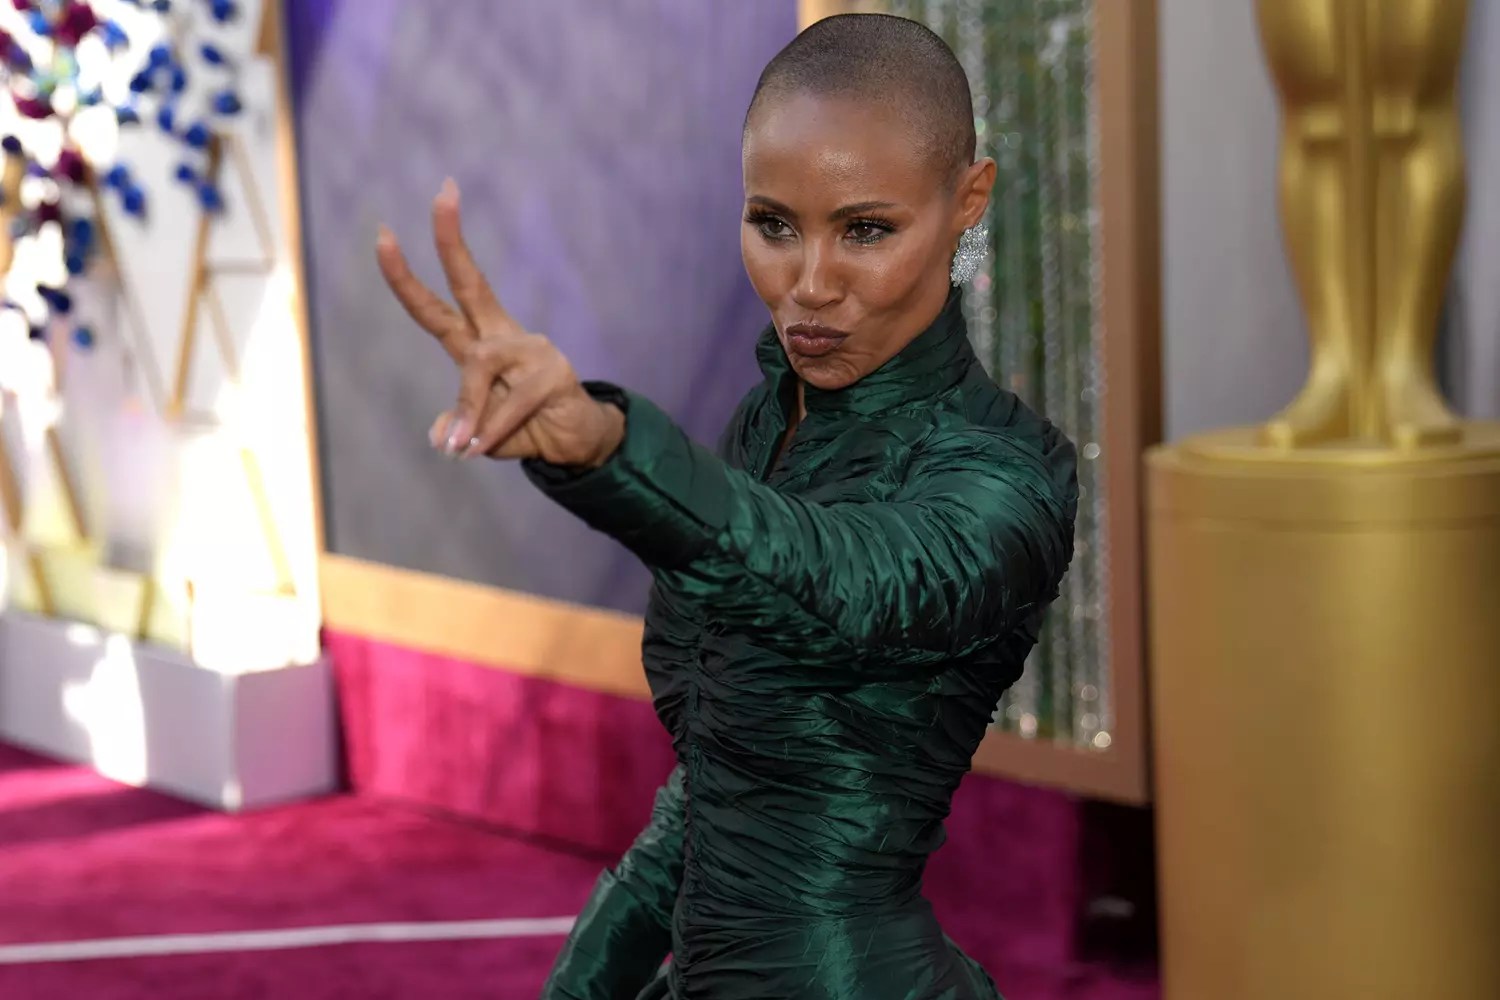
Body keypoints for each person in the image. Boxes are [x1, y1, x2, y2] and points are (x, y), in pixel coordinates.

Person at [376, 13, 1077, 999]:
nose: (810, 285)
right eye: (774, 225)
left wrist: (613, 449)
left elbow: (843, 581)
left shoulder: (1009, 469)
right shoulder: (764, 426)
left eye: (866, 230)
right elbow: (713, 792)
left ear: (968, 200)